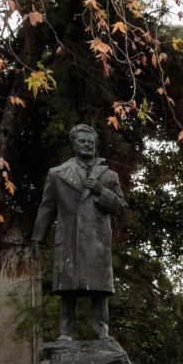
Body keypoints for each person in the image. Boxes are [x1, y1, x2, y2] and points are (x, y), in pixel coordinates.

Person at [31, 124, 127, 341]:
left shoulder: (108, 175)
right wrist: (38, 237)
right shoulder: (57, 174)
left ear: (95, 146)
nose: (86, 145)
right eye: (82, 141)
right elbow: (47, 208)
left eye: (90, 142)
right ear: (73, 144)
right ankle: (66, 331)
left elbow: (121, 207)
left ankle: (101, 329)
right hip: (69, 238)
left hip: (97, 240)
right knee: (68, 288)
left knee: (99, 288)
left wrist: (101, 191)